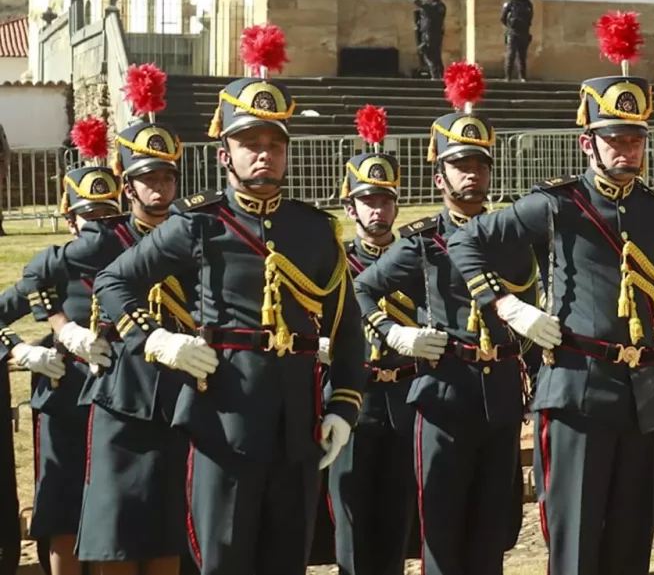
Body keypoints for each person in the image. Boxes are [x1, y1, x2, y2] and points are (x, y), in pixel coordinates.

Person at [92, 52, 367, 575]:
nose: (264, 155)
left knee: (287, 561)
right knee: (224, 560)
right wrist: (156, 341)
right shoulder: (200, 223)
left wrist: (343, 408)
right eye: (249, 144)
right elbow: (114, 280)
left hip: (299, 428)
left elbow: (346, 329)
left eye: (274, 144)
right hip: (224, 423)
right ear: (225, 154)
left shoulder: (315, 230)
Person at [445, 20, 654, 575]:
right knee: (576, 537)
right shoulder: (556, 205)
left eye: (634, 139)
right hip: (576, 388)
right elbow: (465, 240)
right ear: (588, 143)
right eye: (614, 139)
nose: (626, 150)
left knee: (632, 538)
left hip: (642, 392)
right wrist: (507, 307)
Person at [355, 67, 533, 575]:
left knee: (494, 530)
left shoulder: (511, 237)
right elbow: (363, 289)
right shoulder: (422, 242)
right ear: (440, 176)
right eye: (459, 166)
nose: (471, 174)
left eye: (479, 164)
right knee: (442, 528)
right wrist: (393, 333)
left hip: (499, 393)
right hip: (444, 394)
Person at [46, 75, 198, 575]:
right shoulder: (104, 238)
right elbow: (36, 277)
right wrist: (63, 327)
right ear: (126, 182)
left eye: (167, 177)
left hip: (182, 396)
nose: (159, 187)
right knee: (115, 538)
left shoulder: (196, 233)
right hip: (121, 394)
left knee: (170, 535)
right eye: (147, 178)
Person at [323, 105, 424, 575]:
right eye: (368, 201)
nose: (377, 210)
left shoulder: (416, 259)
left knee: (398, 513)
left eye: (385, 200)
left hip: (405, 393)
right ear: (350, 207)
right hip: (355, 394)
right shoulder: (335, 263)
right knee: (350, 515)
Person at [28, 125, 121, 575]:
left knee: (111, 508)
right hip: (66, 400)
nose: (100, 225)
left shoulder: (135, 262)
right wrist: (26, 350)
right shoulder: (54, 267)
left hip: (118, 402)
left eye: (108, 213)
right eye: (90, 215)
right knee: (64, 506)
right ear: (70, 219)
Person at [500, 0, 533, 81]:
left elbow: (530, 16)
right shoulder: (511, 2)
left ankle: (522, 77)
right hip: (513, 32)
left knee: (522, 56)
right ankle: (508, 77)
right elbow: (503, 18)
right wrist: (510, 26)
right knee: (511, 55)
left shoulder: (527, 3)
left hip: (524, 32)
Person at [415, 0, 446, 79]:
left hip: (429, 35)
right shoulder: (441, 6)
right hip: (437, 34)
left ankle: (435, 77)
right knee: (437, 57)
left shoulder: (430, 6)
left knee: (429, 57)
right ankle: (441, 76)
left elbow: (416, 1)